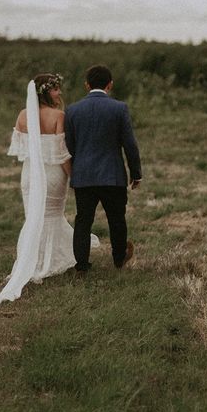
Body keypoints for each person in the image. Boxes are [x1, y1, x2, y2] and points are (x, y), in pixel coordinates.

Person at [0, 73, 99, 310]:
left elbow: (20, 150)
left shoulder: (23, 115)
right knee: (52, 216)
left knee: (35, 217)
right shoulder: (58, 116)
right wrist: (74, 176)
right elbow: (62, 153)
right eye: (56, 89)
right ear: (45, 92)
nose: (60, 94)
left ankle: (33, 260)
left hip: (29, 175)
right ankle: (46, 262)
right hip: (54, 175)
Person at [64, 65, 142, 274]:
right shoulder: (119, 108)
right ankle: (118, 258)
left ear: (86, 85)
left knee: (83, 220)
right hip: (112, 175)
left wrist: (78, 169)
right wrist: (136, 174)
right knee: (117, 218)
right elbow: (130, 145)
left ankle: (81, 266)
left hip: (84, 176)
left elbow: (69, 146)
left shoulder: (72, 110)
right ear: (110, 84)